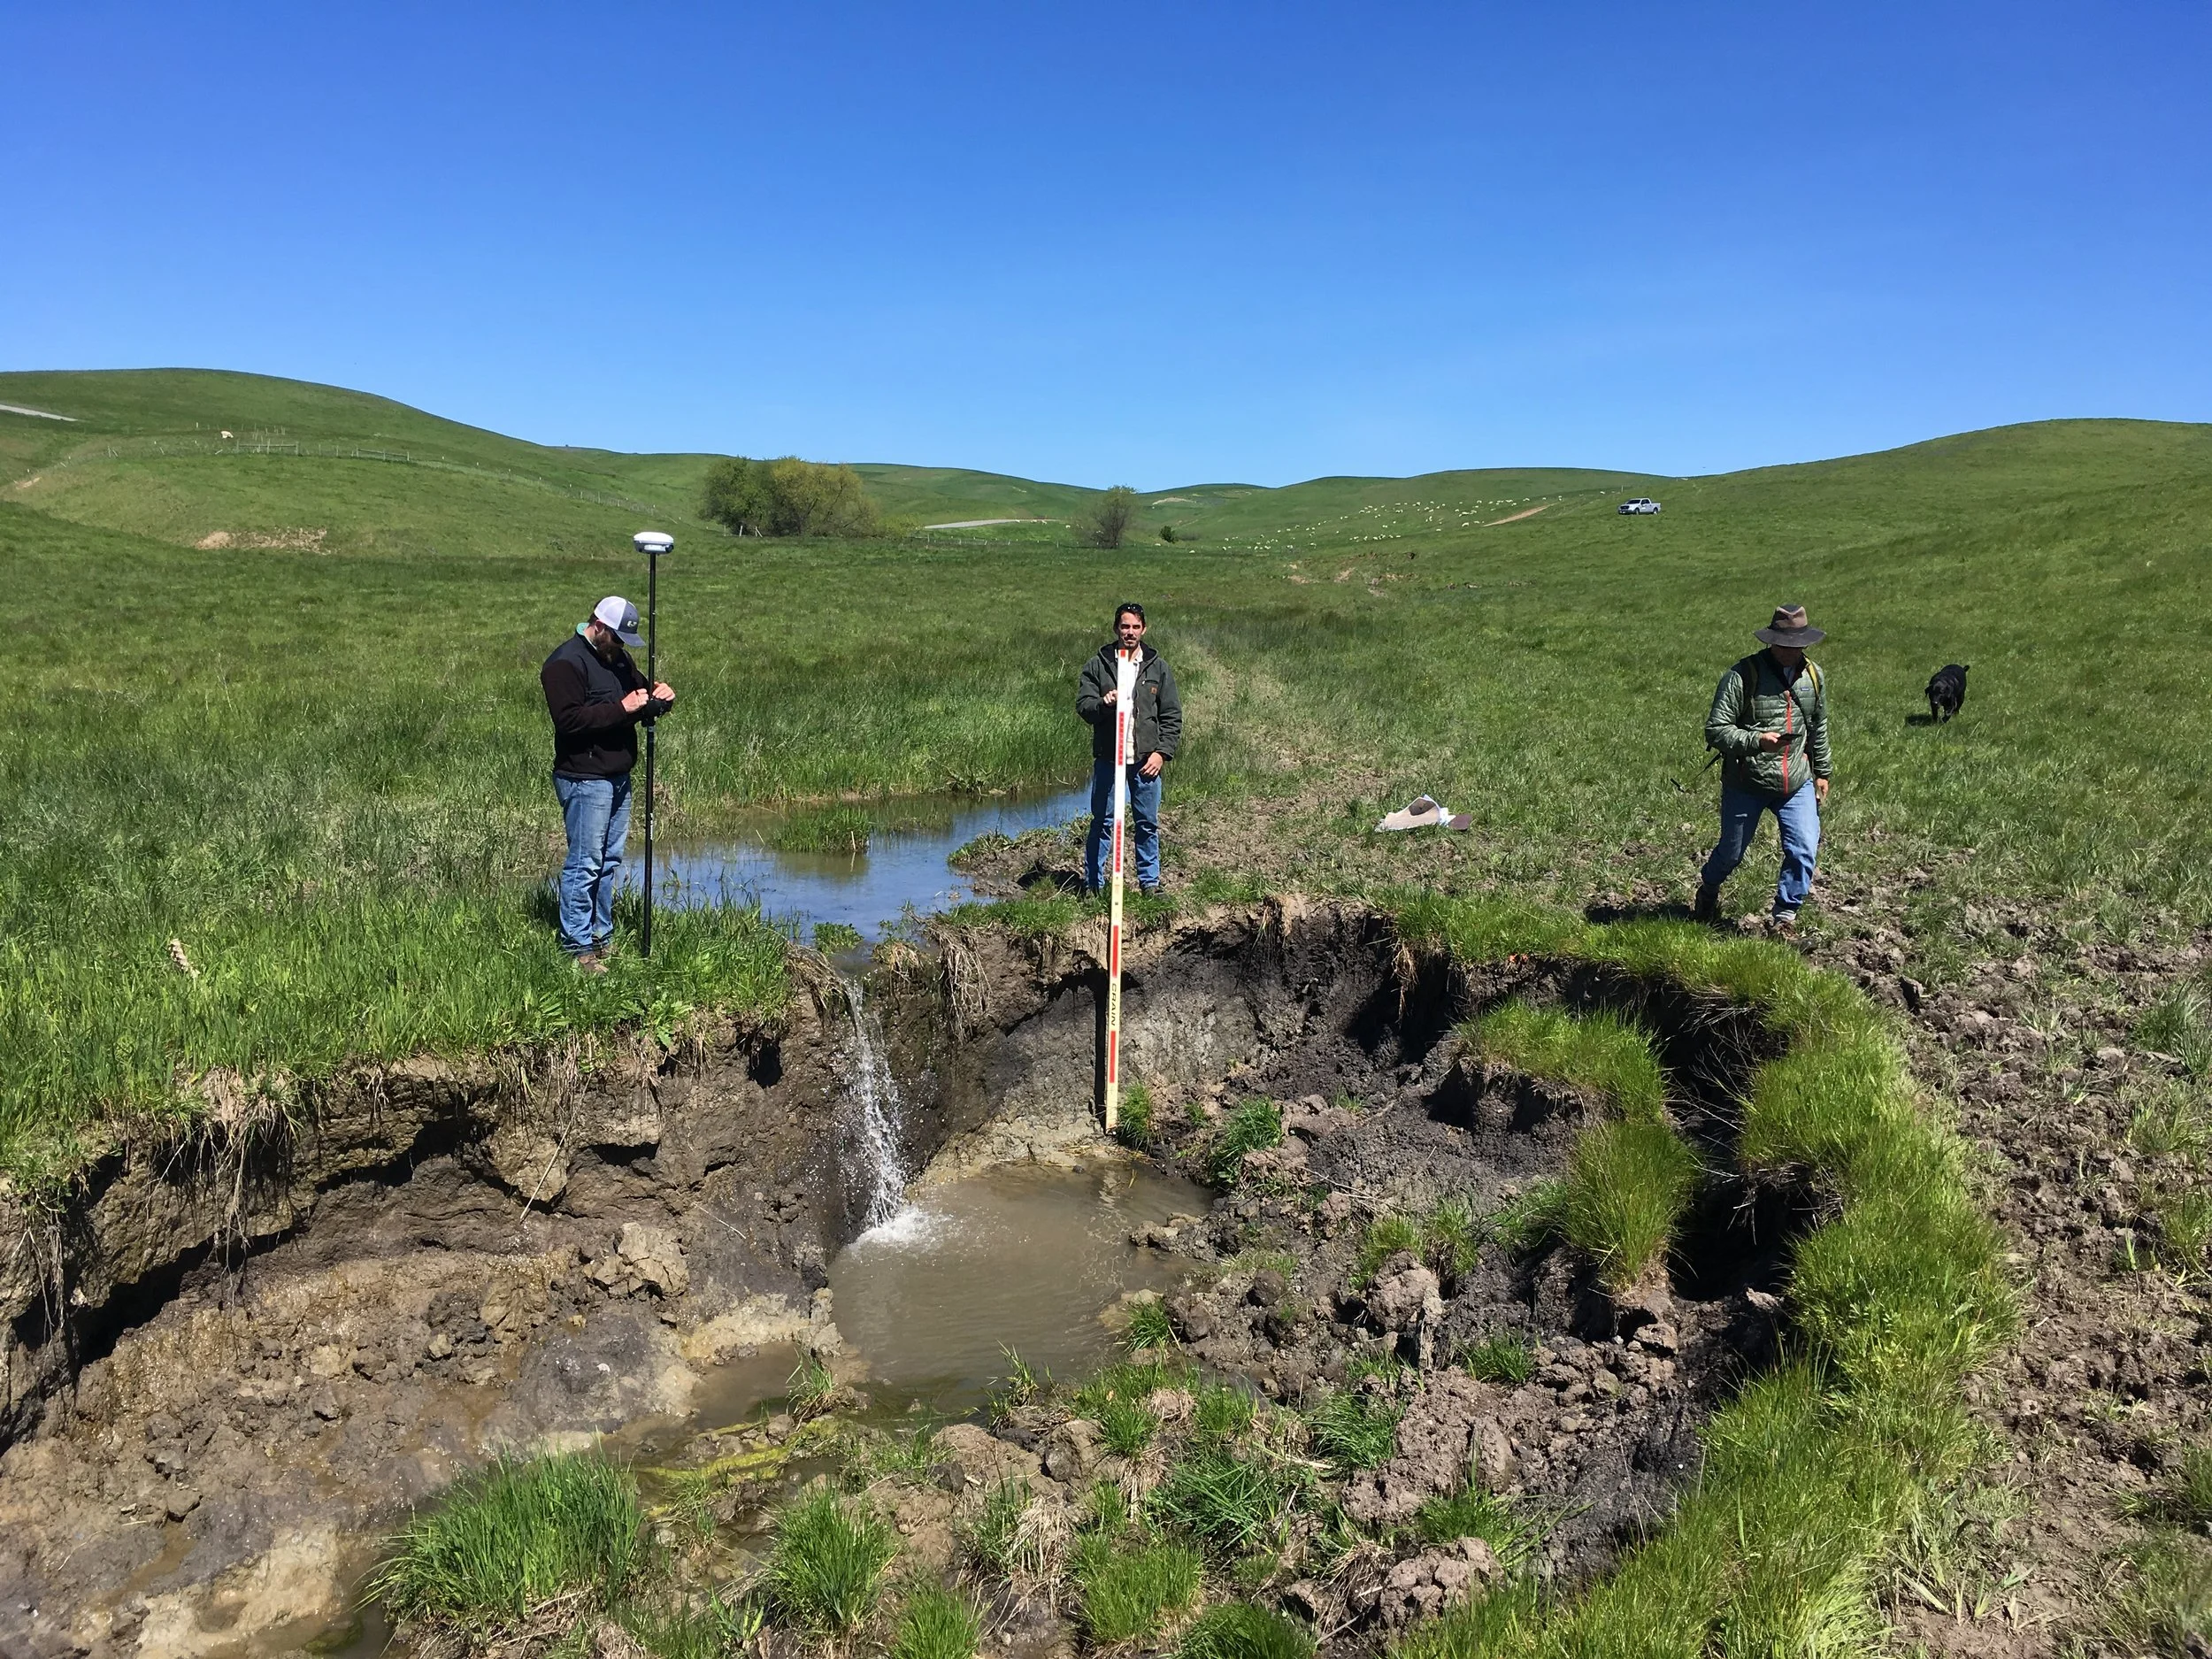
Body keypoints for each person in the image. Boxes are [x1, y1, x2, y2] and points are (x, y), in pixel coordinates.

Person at [541, 595, 674, 972]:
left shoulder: (618, 659)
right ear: (598, 626)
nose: (620, 648)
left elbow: (640, 695)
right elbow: (569, 722)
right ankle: (577, 948)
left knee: (608, 862)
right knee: (585, 864)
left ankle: (603, 936)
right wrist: (623, 708)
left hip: (618, 776)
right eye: (616, 638)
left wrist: (661, 699)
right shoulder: (563, 664)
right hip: (584, 779)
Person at [1695, 603, 1832, 933]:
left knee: (1803, 849)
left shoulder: (1813, 676)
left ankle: (1785, 917)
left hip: (1795, 781)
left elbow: (1818, 725)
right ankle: (1708, 890)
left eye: (1797, 645)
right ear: (1771, 641)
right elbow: (1716, 729)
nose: (1791, 651)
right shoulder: (1742, 675)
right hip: (1747, 782)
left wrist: (1823, 771)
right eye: (1785, 644)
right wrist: (1758, 741)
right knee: (1731, 853)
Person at [1077, 602, 1183, 896]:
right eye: (1125, 626)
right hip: (1109, 759)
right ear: (1116, 628)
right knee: (1103, 822)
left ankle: (1150, 884)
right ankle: (1093, 884)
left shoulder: (1157, 667)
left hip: (1146, 760)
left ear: (1143, 629)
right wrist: (1103, 703)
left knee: (1146, 822)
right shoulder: (1099, 664)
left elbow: (1171, 716)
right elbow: (1084, 707)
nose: (1130, 632)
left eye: (1136, 627)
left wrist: (1161, 753)